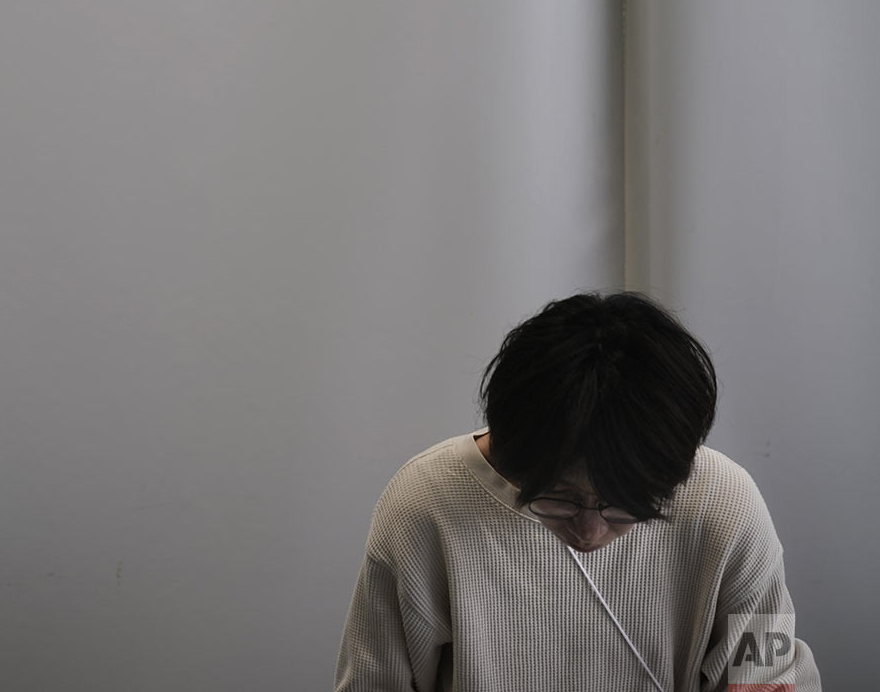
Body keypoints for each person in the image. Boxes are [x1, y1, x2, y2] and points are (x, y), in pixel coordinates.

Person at [334, 292, 820, 692]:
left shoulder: (725, 504)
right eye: (559, 498)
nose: (588, 532)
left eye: (623, 506)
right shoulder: (426, 505)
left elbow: (768, 673)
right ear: (510, 448)